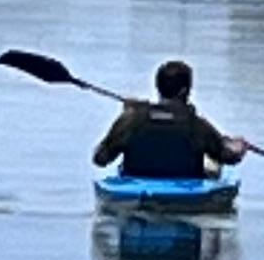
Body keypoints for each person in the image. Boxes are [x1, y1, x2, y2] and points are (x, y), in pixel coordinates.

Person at [95, 59, 241, 183]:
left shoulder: (133, 120)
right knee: (214, 165)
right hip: (186, 194)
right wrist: (239, 147)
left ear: (158, 87)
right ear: (184, 91)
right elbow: (227, 156)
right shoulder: (196, 125)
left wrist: (128, 114)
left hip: (136, 188)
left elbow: (100, 158)